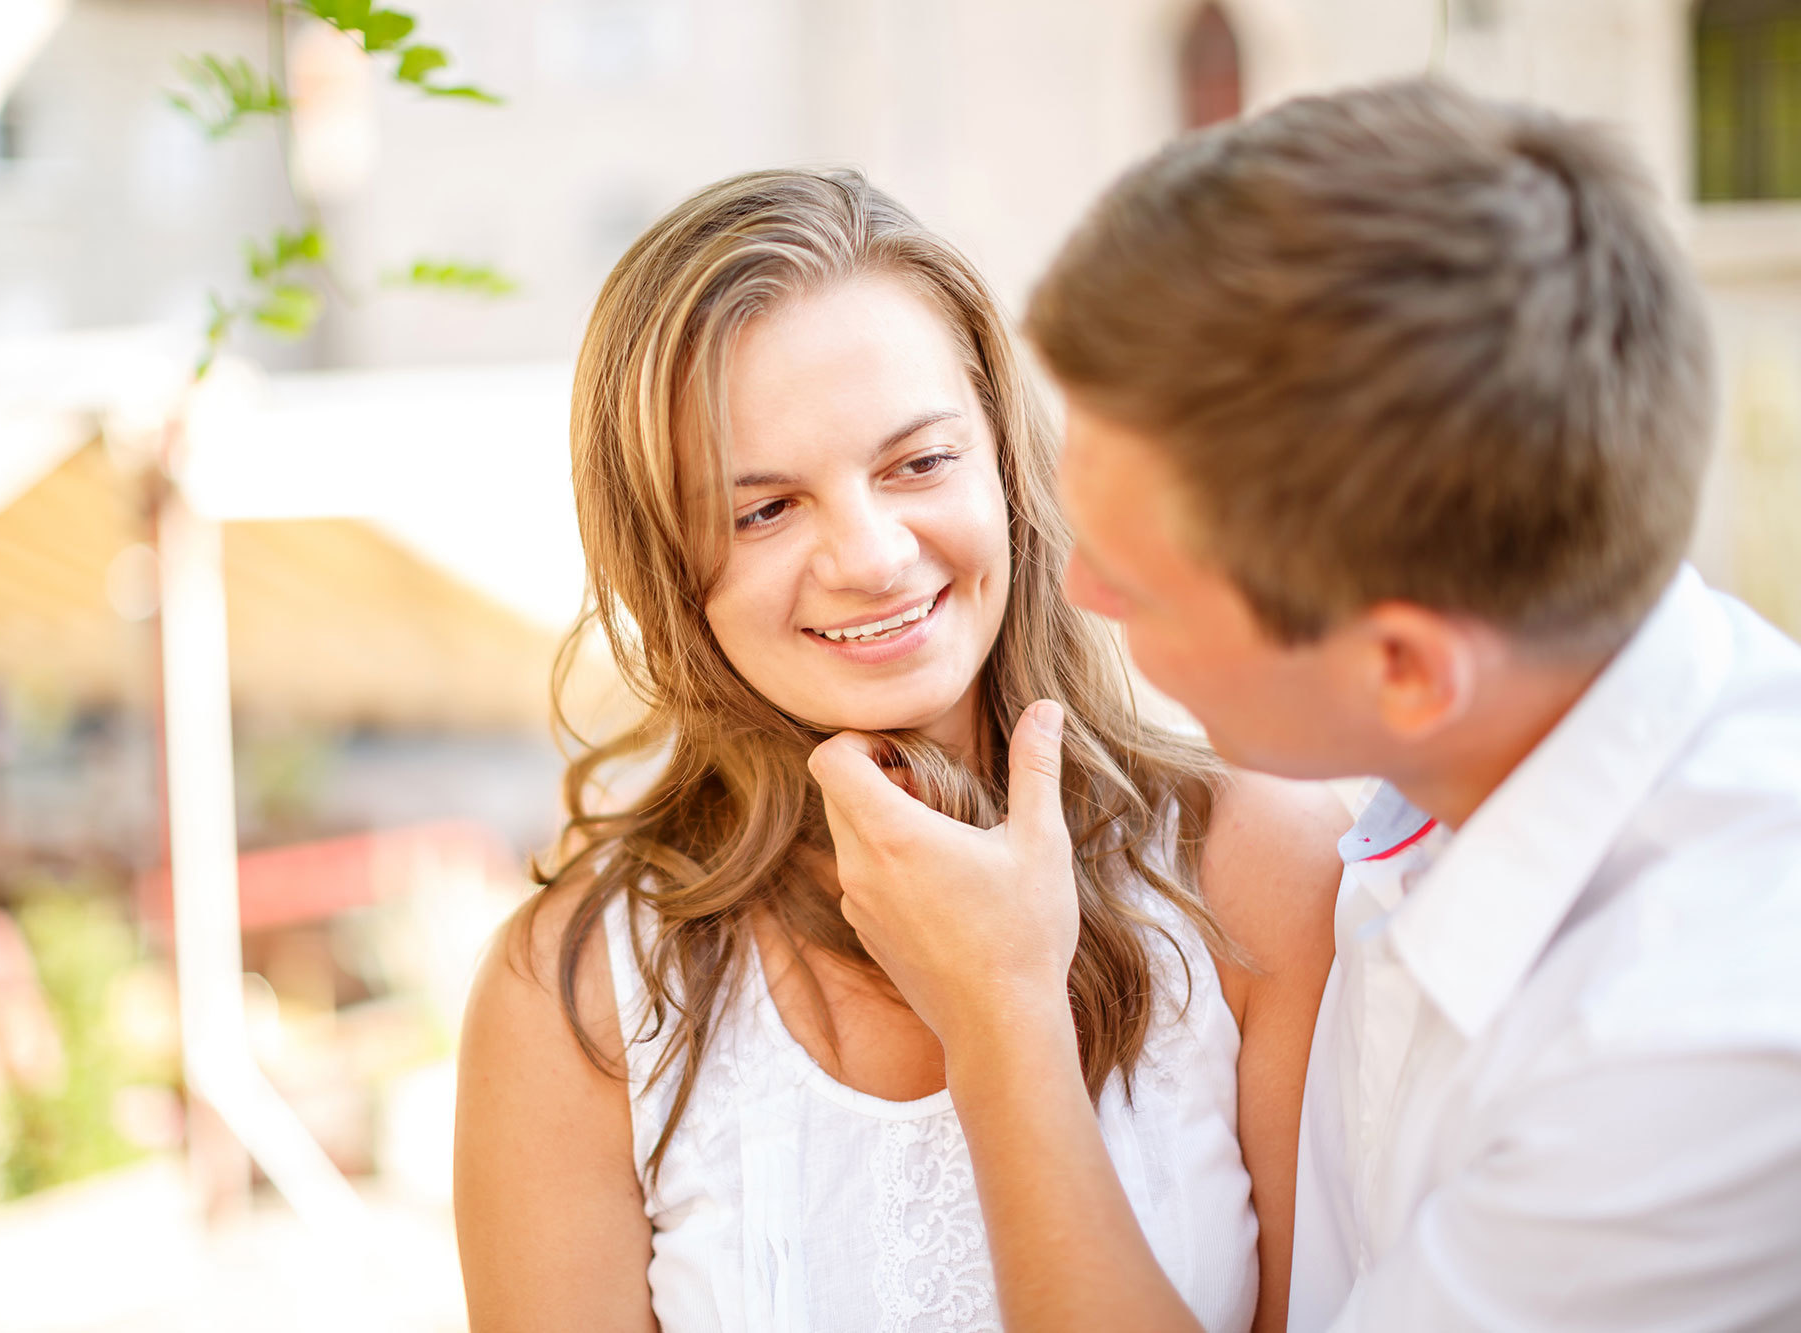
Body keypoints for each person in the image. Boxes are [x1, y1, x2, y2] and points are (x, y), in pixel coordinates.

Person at [811, 79, 1801, 1331]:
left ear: (1402, 669)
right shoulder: (1471, 756)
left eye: (1139, 581)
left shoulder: (1690, 1057)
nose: (1071, 585)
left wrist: (1000, 1018)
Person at [453, 168, 1349, 1332]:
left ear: (1006, 461)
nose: (872, 557)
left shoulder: (1261, 869)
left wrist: (998, 1010)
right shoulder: (573, 993)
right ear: (662, 567)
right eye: (763, 509)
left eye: (918, 461)